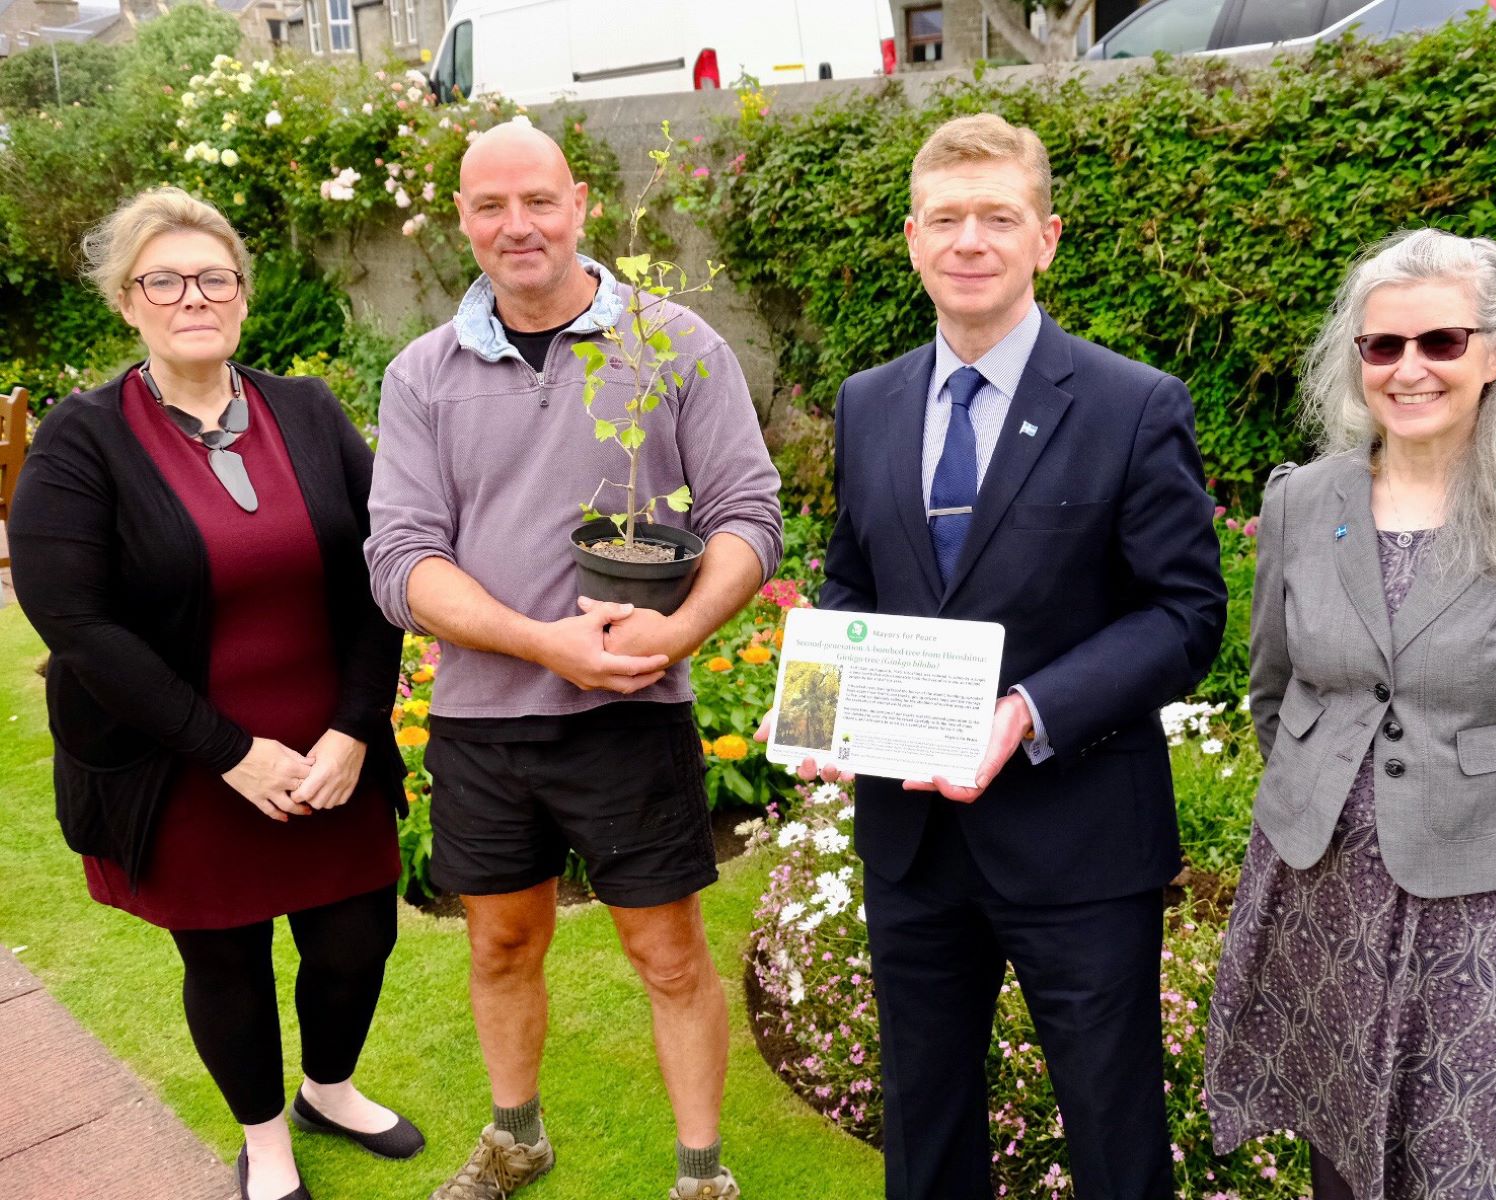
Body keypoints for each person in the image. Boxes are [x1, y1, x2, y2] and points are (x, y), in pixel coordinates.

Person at [783, 113, 1228, 1199]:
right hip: (912, 843)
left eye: (998, 217)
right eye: (946, 219)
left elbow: (1184, 615)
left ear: (1047, 238)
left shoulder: (1132, 405)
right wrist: (823, 706)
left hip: (1079, 841)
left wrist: (1027, 710)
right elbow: (853, 579)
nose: (970, 241)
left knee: (1114, 1131)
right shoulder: (870, 401)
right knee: (925, 1125)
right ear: (912, 240)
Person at [363, 122, 781, 1200]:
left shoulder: (673, 343)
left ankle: (701, 1176)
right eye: (491, 206)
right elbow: (402, 559)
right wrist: (541, 642)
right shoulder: (423, 375)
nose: (518, 225)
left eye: (538, 200)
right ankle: (518, 1138)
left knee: (669, 956)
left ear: (581, 203)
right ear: (462, 220)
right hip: (483, 721)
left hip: (631, 715)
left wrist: (677, 631)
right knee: (501, 946)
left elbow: (748, 514)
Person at [1203, 228, 1496, 1200]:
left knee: (1451, 1154)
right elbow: (1276, 690)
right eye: (1383, 345)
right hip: (1316, 880)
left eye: (1440, 341)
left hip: (1472, 904)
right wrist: (1319, 791)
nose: (1409, 369)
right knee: (1333, 1136)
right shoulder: (1304, 501)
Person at [9, 187, 418, 1200]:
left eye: (213, 278)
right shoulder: (81, 439)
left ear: (242, 294)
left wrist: (354, 728)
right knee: (226, 959)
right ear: (127, 302)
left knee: (357, 938)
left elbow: (384, 566)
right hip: (185, 758)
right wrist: (231, 753)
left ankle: (328, 1088)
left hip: (329, 749)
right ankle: (265, 1138)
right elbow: (76, 621)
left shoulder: (309, 411)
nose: (193, 296)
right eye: (164, 281)